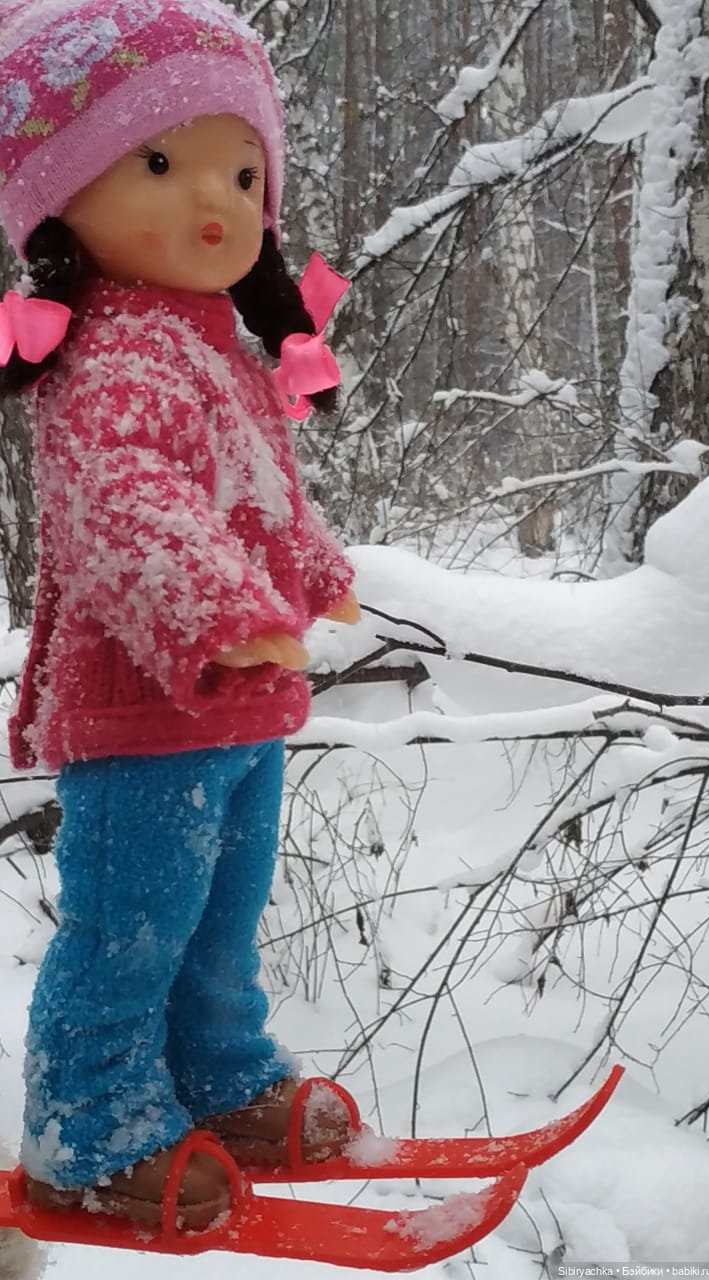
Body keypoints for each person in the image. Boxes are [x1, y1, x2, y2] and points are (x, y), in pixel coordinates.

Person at [0, 0, 361, 1230]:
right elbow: (125, 504)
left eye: (242, 173)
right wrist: (220, 614)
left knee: (220, 918)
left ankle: (218, 1071)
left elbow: (259, 499)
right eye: (160, 163)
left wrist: (315, 572)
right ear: (60, 195)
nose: (216, 202)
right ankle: (89, 1126)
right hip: (146, 705)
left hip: (241, 709)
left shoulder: (215, 349)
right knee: (132, 924)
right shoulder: (114, 356)